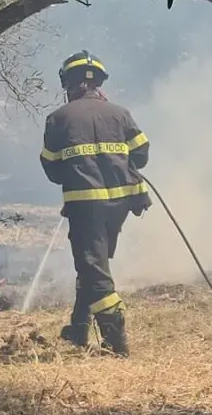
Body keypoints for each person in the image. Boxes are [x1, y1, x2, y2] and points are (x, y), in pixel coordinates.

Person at [40, 50, 151, 357]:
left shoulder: (58, 119)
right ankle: (78, 327)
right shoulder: (120, 113)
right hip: (121, 206)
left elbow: (51, 168)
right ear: (98, 82)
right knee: (93, 266)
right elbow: (141, 155)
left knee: (95, 271)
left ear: (69, 84)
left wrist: (77, 172)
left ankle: (116, 342)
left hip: (85, 207)